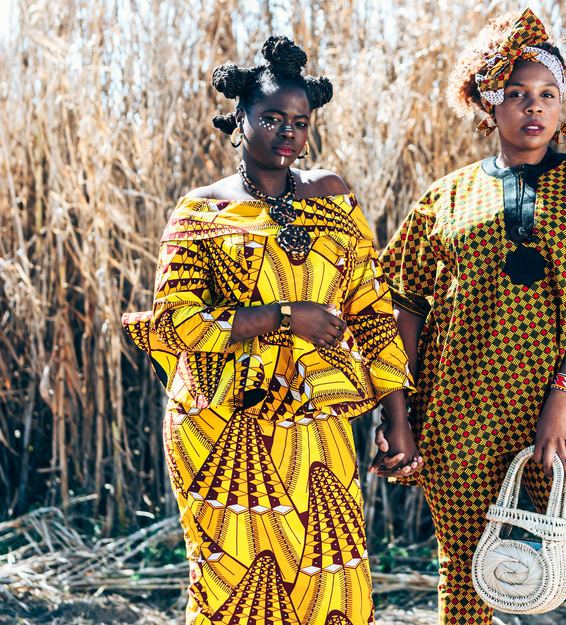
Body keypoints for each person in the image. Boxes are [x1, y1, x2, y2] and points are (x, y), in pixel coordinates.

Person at [375, 8, 566, 625]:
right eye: (515, 94)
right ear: (488, 104)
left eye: (547, 94)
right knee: (467, 584)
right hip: (462, 412)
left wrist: (562, 396)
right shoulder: (446, 197)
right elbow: (402, 305)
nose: (533, 107)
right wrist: (397, 416)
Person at [122, 35, 422, 625]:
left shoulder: (332, 196)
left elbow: (372, 309)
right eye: (271, 119)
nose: (288, 132)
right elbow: (176, 322)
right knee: (233, 586)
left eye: (300, 122)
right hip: (222, 425)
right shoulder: (201, 211)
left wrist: (397, 417)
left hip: (318, 422)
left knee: (333, 585)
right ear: (240, 120)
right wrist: (286, 316)